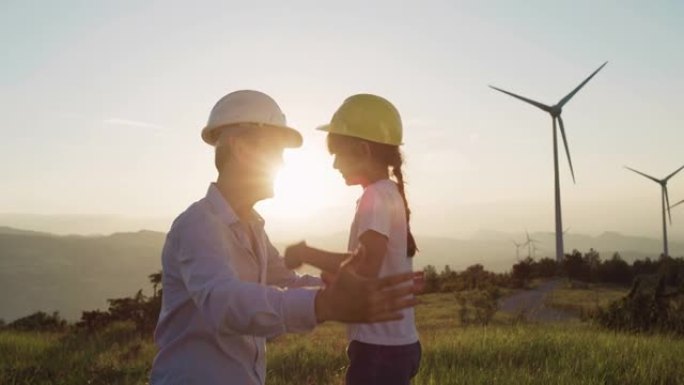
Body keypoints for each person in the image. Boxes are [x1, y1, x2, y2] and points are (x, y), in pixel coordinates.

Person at [149, 90, 421, 385]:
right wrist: (323, 304)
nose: (283, 164)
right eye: (276, 151)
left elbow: (285, 283)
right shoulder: (198, 225)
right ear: (241, 150)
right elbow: (222, 301)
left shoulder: (252, 228)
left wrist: (345, 292)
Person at [284, 94, 421, 385]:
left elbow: (366, 264)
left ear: (362, 150)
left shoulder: (375, 196)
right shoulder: (390, 193)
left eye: (338, 153)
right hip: (399, 345)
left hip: (378, 350)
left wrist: (305, 253)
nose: (334, 165)